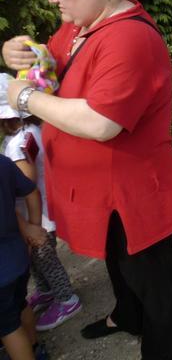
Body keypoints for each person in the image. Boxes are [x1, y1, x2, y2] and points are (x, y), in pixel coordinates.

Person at [2, 0, 172, 359]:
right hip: (101, 188)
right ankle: (128, 314)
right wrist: (21, 53)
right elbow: (53, 64)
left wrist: (24, 97)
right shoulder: (81, 24)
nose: (52, 0)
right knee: (118, 261)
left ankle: (170, 341)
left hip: (131, 188)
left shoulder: (129, 38)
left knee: (150, 269)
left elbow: (101, 122)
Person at [0, 74, 81, 332]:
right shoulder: (31, 131)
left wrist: (32, 225)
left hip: (37, 217)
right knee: (35, 261)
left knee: (45, 259)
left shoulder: (17, 146)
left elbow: (27, 185)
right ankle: (46, 292)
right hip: (43, 210)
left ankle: (66, 299)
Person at [0, 153, 49, 360]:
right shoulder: (2, 161)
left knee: (7, 327)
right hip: (18, 257)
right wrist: (34, 227)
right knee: (20, 304)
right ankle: (35, 347)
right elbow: (31, 191)